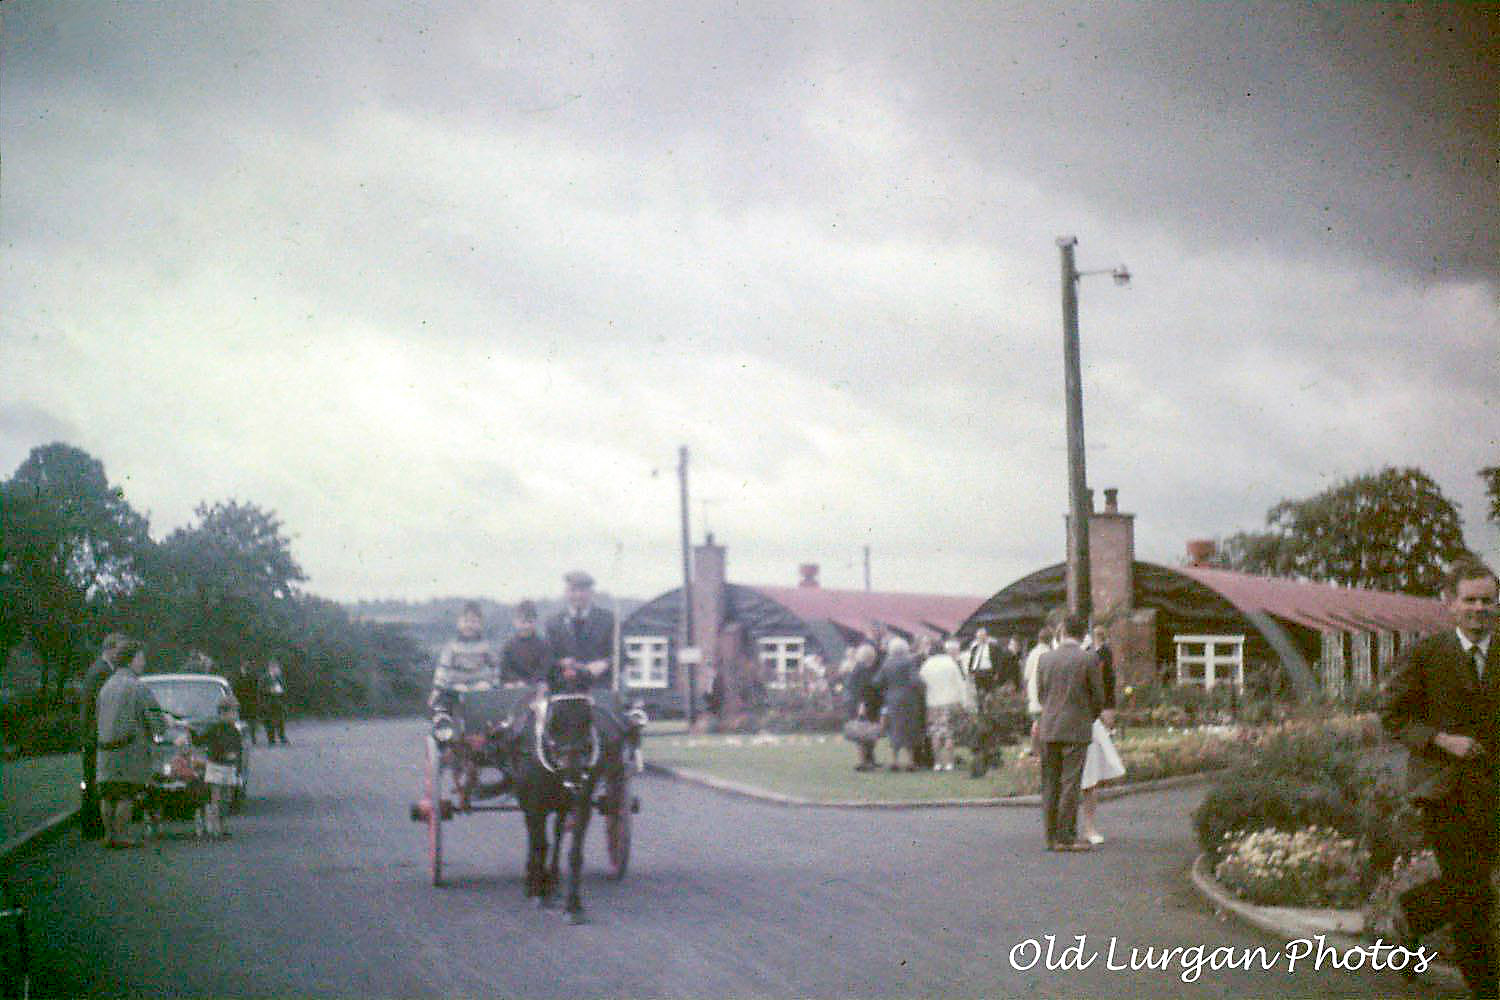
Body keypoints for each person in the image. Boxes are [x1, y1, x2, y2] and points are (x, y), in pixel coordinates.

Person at [1382, 558, 1499, 997]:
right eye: (1470, 600)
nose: (1479, 609)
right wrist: (1440, 740)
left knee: (1473, 887)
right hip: (1444, 792)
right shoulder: (1427, 654)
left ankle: (1415, 913)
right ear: (1450, 603)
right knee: (1474, 897)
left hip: (1494, 792)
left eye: (1488, 600)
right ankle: (1486, 989)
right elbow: (1393, 716)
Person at [1037, 613, 1106, 853]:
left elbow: (1040, 695)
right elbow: (1099, 697)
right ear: (1083, 635)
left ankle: (1051, 837)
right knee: (1070, 782)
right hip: (1076, 727)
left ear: (1063, 631)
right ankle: (1066, 837)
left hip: (1049, 726)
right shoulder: (1089, 659)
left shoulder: (1045, 658)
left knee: (1050, 782)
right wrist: (1089, 716)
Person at [95, 638, 164, 849]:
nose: (143, 663)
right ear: (131, 660)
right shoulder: (137, 687)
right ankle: (122, 835)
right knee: (126, 793)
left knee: (108, 793)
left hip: (105, 749)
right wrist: (160, 730)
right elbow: (154, 717)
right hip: (129, 749)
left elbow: (97, 715)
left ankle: (109, 835)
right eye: (141, 658)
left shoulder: (106, 686)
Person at [80, 634, 129, 839]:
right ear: (110, 649)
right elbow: (101, 706)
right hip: (95, 736)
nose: (122, 654)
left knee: (95, 781)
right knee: (94, 782)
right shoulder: (101, 672)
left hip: (94, 735)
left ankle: (96, 827)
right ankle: (93, 828)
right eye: (120, 649)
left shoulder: (103, 669)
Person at [1079, 627, 1125, 844]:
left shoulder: (1097, 655)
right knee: (1087, 779)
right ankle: (1086, 828)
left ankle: (1078, 829)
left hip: (1079, 723)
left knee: (1085, 779)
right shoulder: (1089, 657)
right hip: (1081, 722)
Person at [920, 637, 974, 771]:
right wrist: (964, 702)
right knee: (949, 733)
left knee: (935, 734)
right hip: (950, 702)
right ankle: (950, 763)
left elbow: (922, 683)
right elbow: (960, 683)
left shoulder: (927, 665)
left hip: (932, 704)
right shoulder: (950, 663)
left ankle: (937, 763)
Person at [875, 636, 924, 772]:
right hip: (908, 699)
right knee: (909, 728)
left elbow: (877, 681)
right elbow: (915, 680)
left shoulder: (886, 663)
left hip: (892, 699)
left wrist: (887, 690)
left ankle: (894, 761)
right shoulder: (909, 661)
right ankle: (910, 762)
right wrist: (923, 686)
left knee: (895, 729)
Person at [198, 697, 243, 838]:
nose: (235, 716)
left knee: (227, 798)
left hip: (229, 768)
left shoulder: (235, 731)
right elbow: (200, 739)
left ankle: (223, 824)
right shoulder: (214, 729)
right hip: (216, 766)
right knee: (216, 798)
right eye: (232, 713)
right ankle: (215, 827)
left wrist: (238, 770)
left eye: (235, 713)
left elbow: (239, 751)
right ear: (222, 714)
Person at [846, 643, 883, 771]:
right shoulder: (861, 669)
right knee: (862, 734)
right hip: (863, 705)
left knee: (870, 734)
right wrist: (861, 705)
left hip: (871, 704)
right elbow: (860, 689)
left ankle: (870, 759)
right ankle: (863, 762)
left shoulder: (869, 668)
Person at [501, 600, 553, 685]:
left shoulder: (544, 644)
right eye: (523, 622)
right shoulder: (508, 646)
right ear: (515, 622)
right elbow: (505, 671)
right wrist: (516, 681)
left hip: (537, 687)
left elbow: (545, 670)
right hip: (514, 687)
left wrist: (529, 682)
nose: (527, 626)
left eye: (530, 622)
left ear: (535, 621)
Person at [1021, 626, 1053, 756]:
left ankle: (1036, 748)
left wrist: (1025, 691)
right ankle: (1039, 749)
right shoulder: (1050, 653)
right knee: (1042, 723)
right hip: (1046, 691)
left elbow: (1026, 675)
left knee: (1037, 721)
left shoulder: (1033, 653)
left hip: (1033, 691)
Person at [231, 660, 262, 745]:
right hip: (241, 701)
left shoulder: (253, 677)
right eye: (243, 668)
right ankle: (241, 738)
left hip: (251, 702)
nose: (244, 669)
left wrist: (256, 701)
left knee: (252, 722)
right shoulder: (237, 677)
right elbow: (235, 689)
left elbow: (255, 689)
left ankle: (253, 738)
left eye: (246, 668)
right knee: (241, 721)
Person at [260, 660, 288, 745]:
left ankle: (282, 737)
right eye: (275, 668)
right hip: (268, 703)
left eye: (277, 668)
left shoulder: (279, 678)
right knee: (269, 722)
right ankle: (271, 739)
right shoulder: (264, 678)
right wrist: (269, 690)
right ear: (270, 668)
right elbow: (260, 690)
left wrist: (281, 691)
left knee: (280, 721)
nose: (277, 670)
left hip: (279, 702)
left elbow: (285, 688)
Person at [965, 628, 1000, 697]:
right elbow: (972, 660)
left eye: (982, 636)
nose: (981, 638)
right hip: (977, 673)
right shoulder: (975, 648)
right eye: (979, 636)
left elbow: (998, 660)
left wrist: (997, 672)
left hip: (988, 672)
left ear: (986, 636)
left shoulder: (993, 647)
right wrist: (970, 671)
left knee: (989, 693)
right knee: (979, 693)